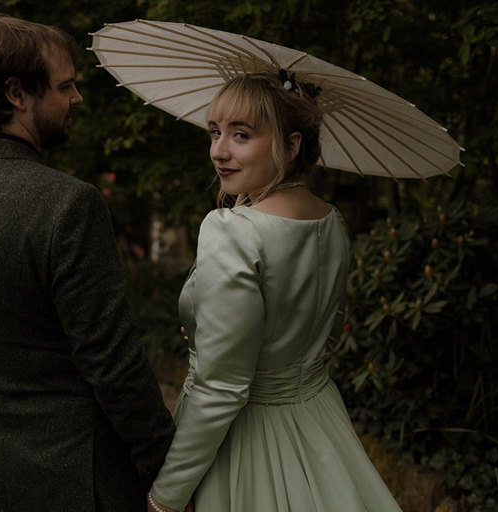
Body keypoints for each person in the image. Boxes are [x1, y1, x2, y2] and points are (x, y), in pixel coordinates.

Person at [0, 14, 174, 512]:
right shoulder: (69, 205)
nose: (76, 99)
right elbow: (112, 360)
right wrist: (168, 468)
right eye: (65, 86)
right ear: (17, 93)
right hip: (79, 479)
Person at [146, 73, 404, 512]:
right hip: (318, 422)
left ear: (291, 145)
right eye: (214, 132)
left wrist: (166, 496)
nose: (218, 151)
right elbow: (317, 334)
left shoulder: (234, 232)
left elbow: (222, 387)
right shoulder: (331, 222)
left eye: (241, 135)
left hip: (244, 439)